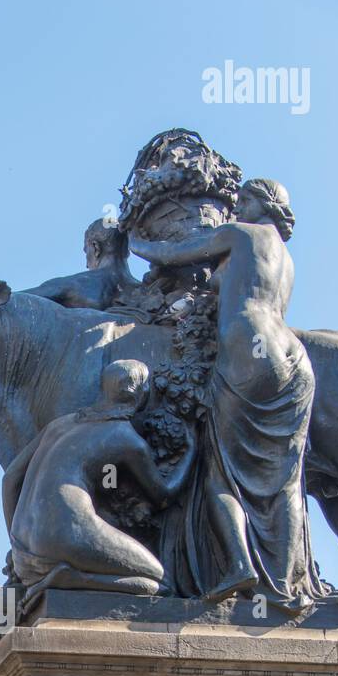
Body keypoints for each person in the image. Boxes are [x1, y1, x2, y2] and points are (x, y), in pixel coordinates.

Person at [130, 179, 320, 610]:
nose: (235, 209)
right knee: (286, 478)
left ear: (262, 204)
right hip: (293, 357)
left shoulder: (242, 235)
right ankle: (284, 584)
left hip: (248, 352)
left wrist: (138, 241)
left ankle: (238, 565)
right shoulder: (285, 259)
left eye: (244, 201)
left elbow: (173, 253)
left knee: (219, 471)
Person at [4, 360, 196, 602]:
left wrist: (16, 546)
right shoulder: (127, 439)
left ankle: (61, 576)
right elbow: (163, 495)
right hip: (64, 536)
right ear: (141, 392)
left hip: (24, 551)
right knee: (159, 582)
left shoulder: (60, 424)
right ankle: (72, 579)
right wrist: (190, 451)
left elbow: (10, 479)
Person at [23, 220, 138, 311]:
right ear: (127, 250)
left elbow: (13, 301)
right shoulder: (147, 290)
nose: (86, 266)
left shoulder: (74, 285)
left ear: (96, 248)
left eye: (86, 251)